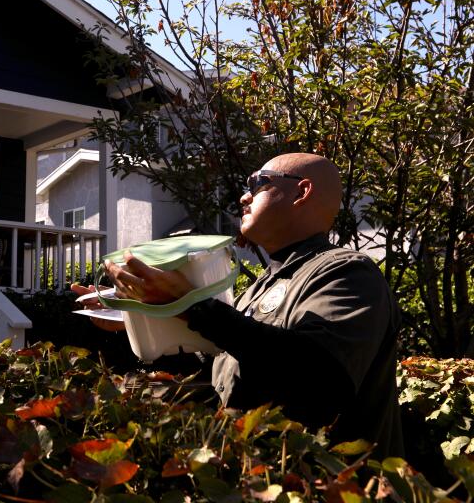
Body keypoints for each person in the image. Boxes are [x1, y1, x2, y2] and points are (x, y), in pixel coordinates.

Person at [72, 153, 403, 458]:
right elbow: (219, 361)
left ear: (302, 192)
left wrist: (190, 303)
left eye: (258, 184)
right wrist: (140, 316)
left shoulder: (347, 271)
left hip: (329, 486)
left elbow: (320, 377)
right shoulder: (261, 286)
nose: (244, 197)